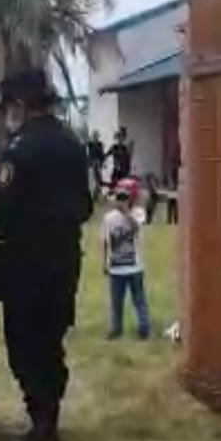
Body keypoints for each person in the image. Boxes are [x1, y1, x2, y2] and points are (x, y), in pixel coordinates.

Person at [0, 68, 91, 441]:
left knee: (24, 341)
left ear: (19, 104)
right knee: (51, 338)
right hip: (64, 255)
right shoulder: (72, 143)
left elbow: (1, 210)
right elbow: (85, 205)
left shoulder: (19, 149)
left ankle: (41, 422)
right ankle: (50, 417)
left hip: (24, 260)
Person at [103, 178, 151, 340]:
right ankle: (116, 328)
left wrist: (125, 212)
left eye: (125, 196)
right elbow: (106, 241)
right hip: (115, 267)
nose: (122, 200)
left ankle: (143, 327)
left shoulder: (138, 213)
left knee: (139, 299)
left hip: (135, 266)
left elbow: (136, 227)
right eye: (120, 196)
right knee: (116, 301)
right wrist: (104, 262)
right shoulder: (109, 217)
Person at [87, 129, 106, 195]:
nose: (95, 137)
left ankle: (98, 190)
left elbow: (102, 155)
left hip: (98, 163)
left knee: (98, 177)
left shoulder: (100, 144)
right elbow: (88, 154)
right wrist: (90, 162)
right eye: (94, 136)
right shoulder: (89, 144)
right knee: (93, 177)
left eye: (96, 136)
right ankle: (94, 190)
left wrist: (102, 162)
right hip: (92, 163)